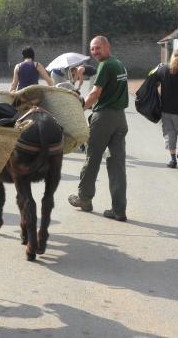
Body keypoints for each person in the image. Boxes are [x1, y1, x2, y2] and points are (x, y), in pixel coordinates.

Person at [68, 36, 129, 222]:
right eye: (92, 49)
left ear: (107, 46)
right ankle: (119, 209)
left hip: (104, 117)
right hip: (120, 118)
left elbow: (95, 93)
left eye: (98, 48)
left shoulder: (106, 65)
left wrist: (80, 110)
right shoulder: (119, 64)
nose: (95, 52)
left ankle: (84, 199)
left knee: (92, 158)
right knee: (117, 164)